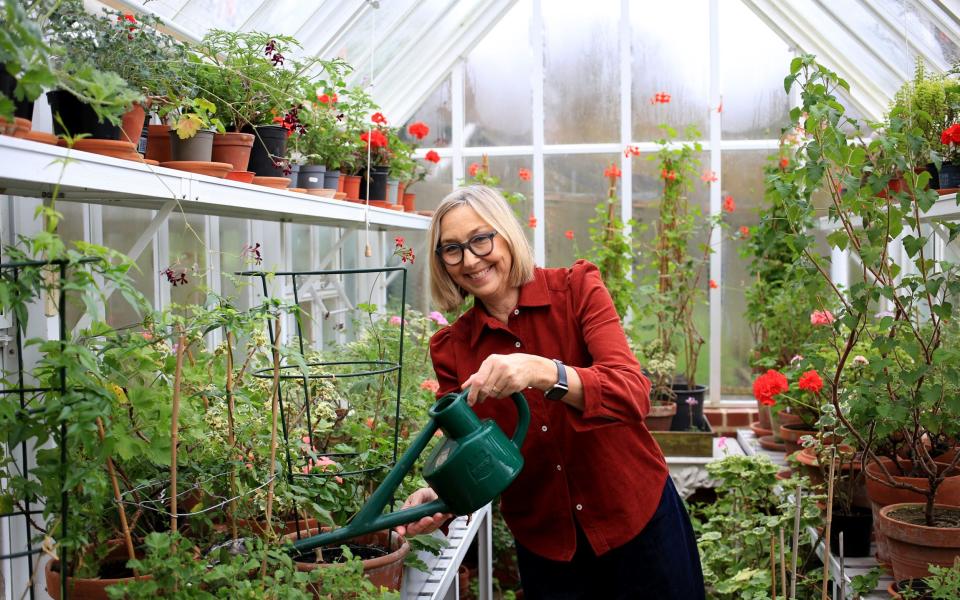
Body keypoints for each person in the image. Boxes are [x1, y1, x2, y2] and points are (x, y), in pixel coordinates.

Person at [396, 185, 704, 599]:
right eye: (452, 249)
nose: (470, 260)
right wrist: (442, 497)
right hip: (550, 550)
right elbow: (475, 456)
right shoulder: (453, 349)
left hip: (637, 523)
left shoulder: (576, 291)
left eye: (480, 239)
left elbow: (632, 394)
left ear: (506, 233)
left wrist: (545, 372)